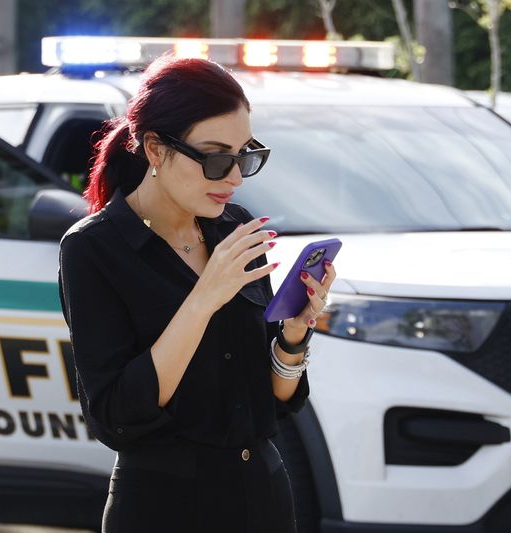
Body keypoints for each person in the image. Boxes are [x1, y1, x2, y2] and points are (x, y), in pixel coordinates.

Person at [58, 54, 336, 533]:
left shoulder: (235, 229)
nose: (232, 177)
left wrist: (293, 337)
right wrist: (203, 299)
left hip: (262, 497)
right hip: (164, 506)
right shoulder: (93, 249)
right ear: (155, 150)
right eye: (215, 158)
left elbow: (274, 402)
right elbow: (118, 417)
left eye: (245, 156)